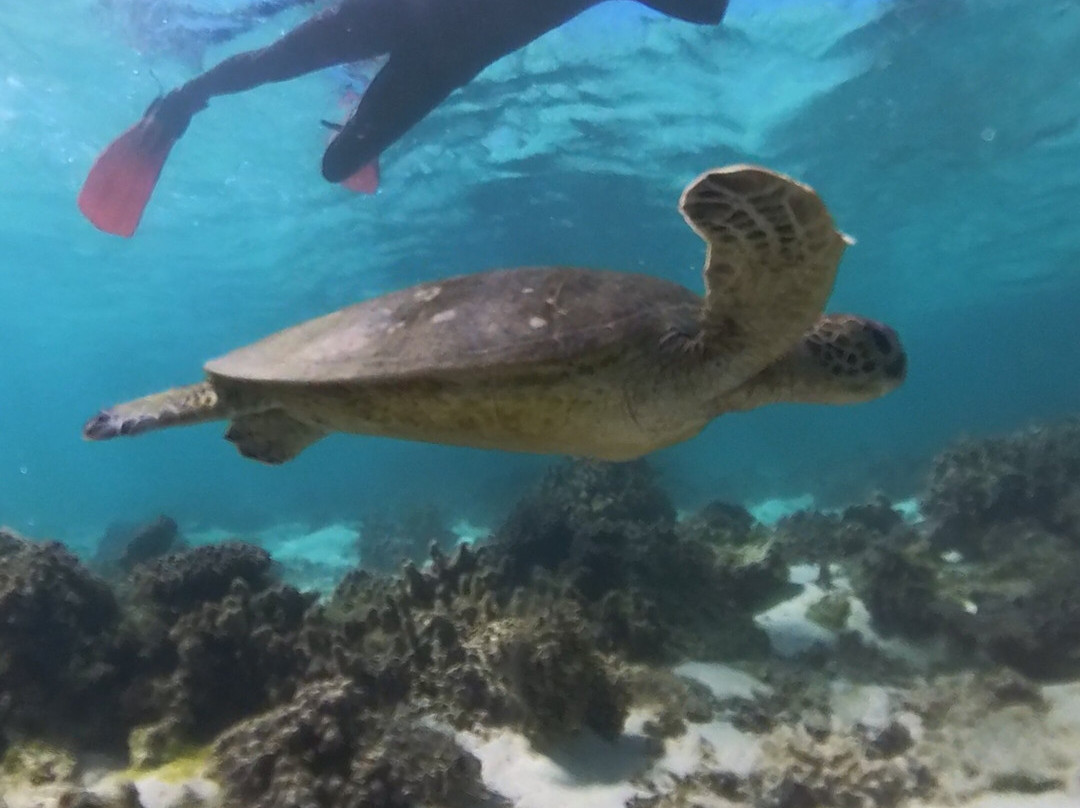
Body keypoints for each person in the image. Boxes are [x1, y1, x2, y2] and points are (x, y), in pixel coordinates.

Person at [78, 0, 730, 237]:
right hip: (391, 11)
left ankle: (351, 110)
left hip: (445, 59)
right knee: (275, 60)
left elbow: (708, 8)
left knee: (338, 165)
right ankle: (179, 105)